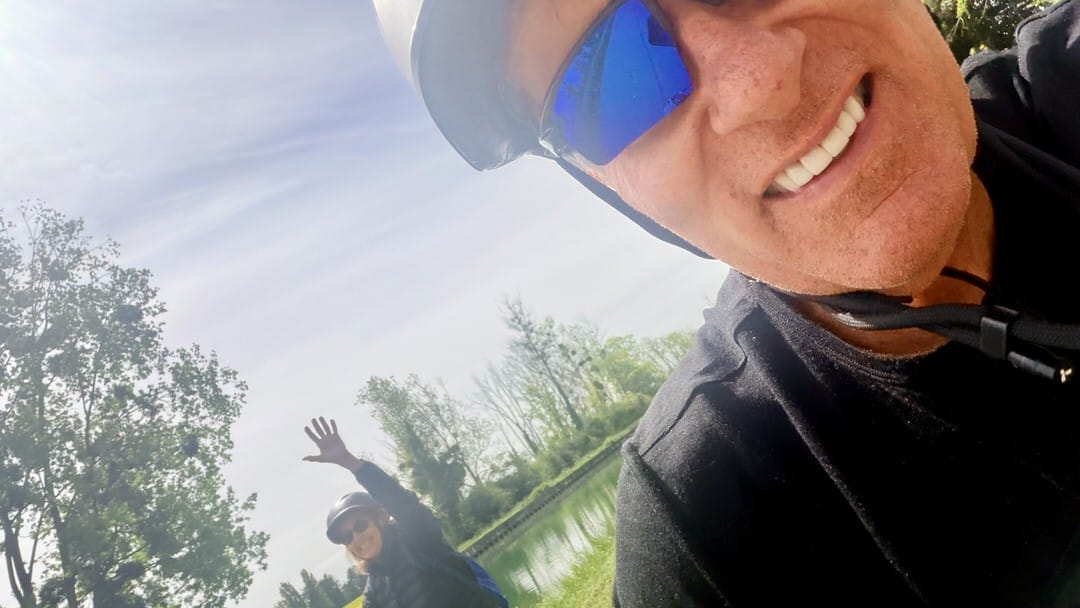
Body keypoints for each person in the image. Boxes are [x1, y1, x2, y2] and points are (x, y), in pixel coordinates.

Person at [369, 0, 1080, 605]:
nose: (758, 82)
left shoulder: (1064, 79)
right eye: (609, 82)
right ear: (618, 194)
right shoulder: (709, 535)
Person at [303, 417, 509, 608]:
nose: (357, 538)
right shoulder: (374, 592)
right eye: (347, 537)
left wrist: (350, 462)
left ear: (380, 519)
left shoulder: (419, 539)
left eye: (360, 526)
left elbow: (402, 503)